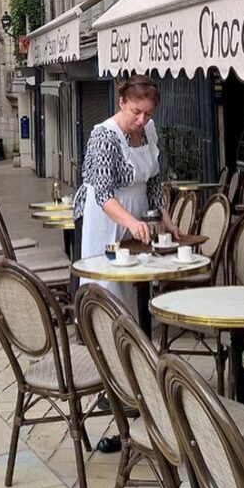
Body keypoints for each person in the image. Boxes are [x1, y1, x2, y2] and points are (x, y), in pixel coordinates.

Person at [74, 75, 180, 318]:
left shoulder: (149, 131)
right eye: (136, 112)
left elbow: (154, 182)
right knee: (109, 284)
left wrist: (167, 220)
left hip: (138, 215)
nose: (142, 119)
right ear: (121, 102)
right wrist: (131, 222)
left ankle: (135, 339)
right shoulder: (104, 136)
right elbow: (103, 194)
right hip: (108, 217)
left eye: (148, 114)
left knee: (137, 280)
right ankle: (104, 337)